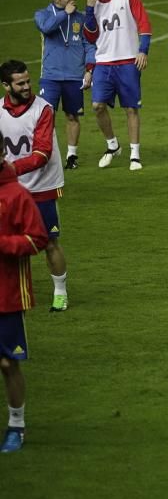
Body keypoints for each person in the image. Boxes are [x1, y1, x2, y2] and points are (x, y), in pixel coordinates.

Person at [0, 60, 70, 312]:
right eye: (21, 83)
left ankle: (60, 292)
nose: (28, 86)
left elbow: (42, 154)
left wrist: (9, 170)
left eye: (28, 81)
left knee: (50, 241)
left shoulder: (43, 110)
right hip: (9, 189)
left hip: (43, 187)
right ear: (7, 86)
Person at [82, 0, 151, 170]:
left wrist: (143, 50)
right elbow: (91, 35)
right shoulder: (93, 4)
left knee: (131, 108)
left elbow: (144, 24)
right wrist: (88, 9)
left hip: (128, 60)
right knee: (97, 106)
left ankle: (135, 155)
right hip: (103, 62)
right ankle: (113, 145)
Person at [0, 158, 48, 453]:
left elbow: (38, 239)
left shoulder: (16, 195)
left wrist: (3, 244)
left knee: (7, 363)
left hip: (7, 294)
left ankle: (16, 425)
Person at [34, 0, 96, 170]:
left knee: (72, 116)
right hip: (50, 77)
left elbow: (89, 45)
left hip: (74, 76)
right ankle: (46, 156)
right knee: (46, 118)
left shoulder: (80, 18)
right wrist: (64, 14)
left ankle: (71, 156)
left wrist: (89, 69)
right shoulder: (42, 14)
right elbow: (46, 28)